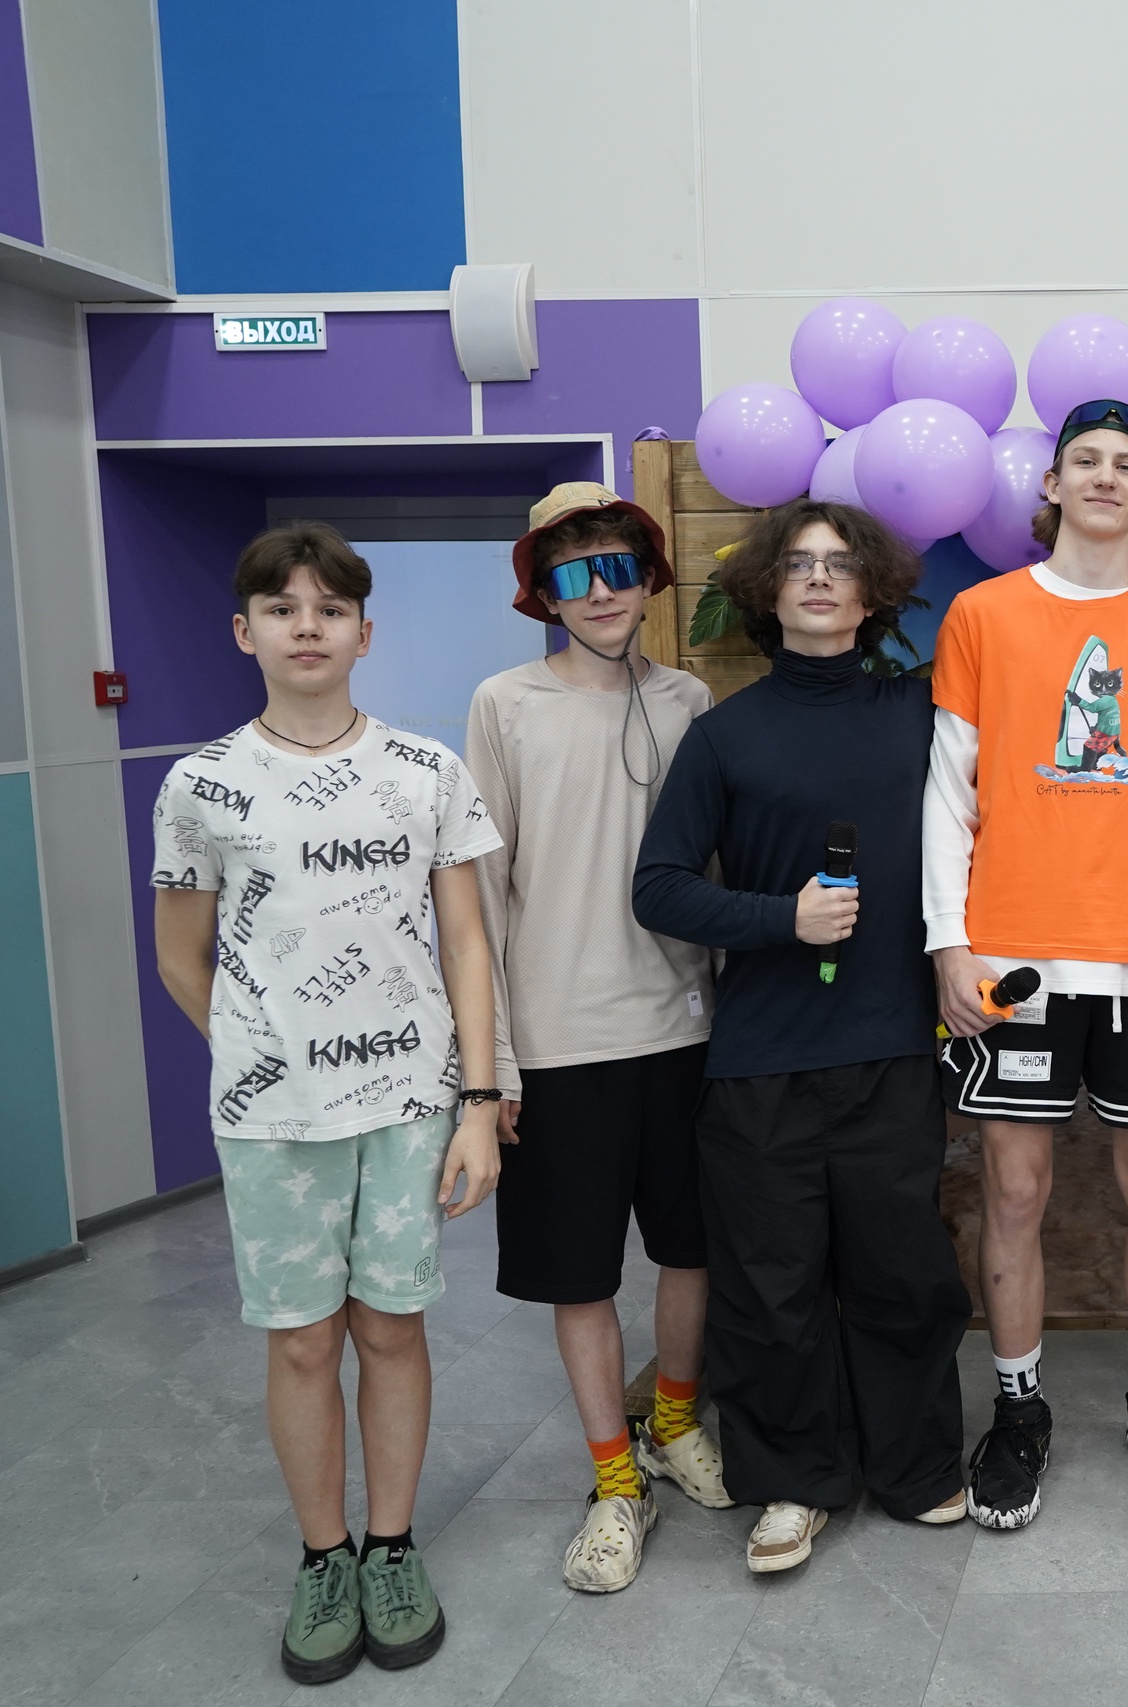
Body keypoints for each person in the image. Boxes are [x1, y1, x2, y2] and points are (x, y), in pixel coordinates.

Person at [151, 522, 504, 1683]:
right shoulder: (201, 786)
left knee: (392, 1328)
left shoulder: (425, 772)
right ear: (243, 631)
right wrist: (261, 1055)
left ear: (364, 632)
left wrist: (477, 1100)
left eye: (330, 609)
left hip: (408, 1105)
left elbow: (467, 941)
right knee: (303, 1342)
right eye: (282, 607)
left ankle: (391, 1548)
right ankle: (323, 1558)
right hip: (272, 1121)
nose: (307, 627)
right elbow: (181, 956)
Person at [631, 498, 971, 1574]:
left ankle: (915, 1466)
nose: (819, 579)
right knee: (772, 1290)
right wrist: (784, 918)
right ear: (767, 592)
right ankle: (793, 1481)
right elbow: (659, 887)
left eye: (839, 564)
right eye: (798, 564)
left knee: (902, 1277)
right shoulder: (724, 736)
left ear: (872, 593)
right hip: (762, 1062)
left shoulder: (924, 714)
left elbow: (1055, 701)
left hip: (892, 1050)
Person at [927, 398, 1128, 1528]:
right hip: (1013, 960)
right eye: (1085, 460)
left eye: (1126, 465)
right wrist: (949, 941)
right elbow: (948, 791)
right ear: (1052, 483)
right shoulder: (982, 614)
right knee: (1014, 1190)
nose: (1106, 477)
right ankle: (1018, 1411)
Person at [465, 482, 731, 1595]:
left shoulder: (689, 699)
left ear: (648, 577)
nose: (600, 592)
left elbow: (713, 869)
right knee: (578, 1275)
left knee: (691, 1249)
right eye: (572, 574)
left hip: (682, 1030)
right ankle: (614, 1479)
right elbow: (479, 898)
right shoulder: (504, 704)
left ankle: (672, 1417)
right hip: (555, 1045)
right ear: (543, 592)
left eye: (618, 567)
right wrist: (491, 1069)